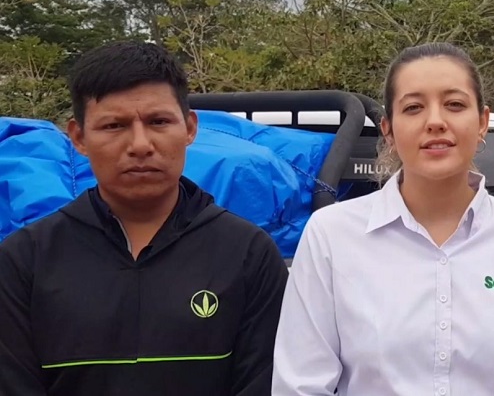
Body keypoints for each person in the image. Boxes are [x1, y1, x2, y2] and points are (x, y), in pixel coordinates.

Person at [271, 42, 494, 396]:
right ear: (388, 130)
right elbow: (300, 386)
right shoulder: (332, 236)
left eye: (454, 104)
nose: (436, 122)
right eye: (413, 107)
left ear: (482, 122)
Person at [0, 41, 289, 396]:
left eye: (158, 122)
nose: (140, 144)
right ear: (78, 137)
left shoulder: (248, 254)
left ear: (189, 128)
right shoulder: (24, 261)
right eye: (114, 125)